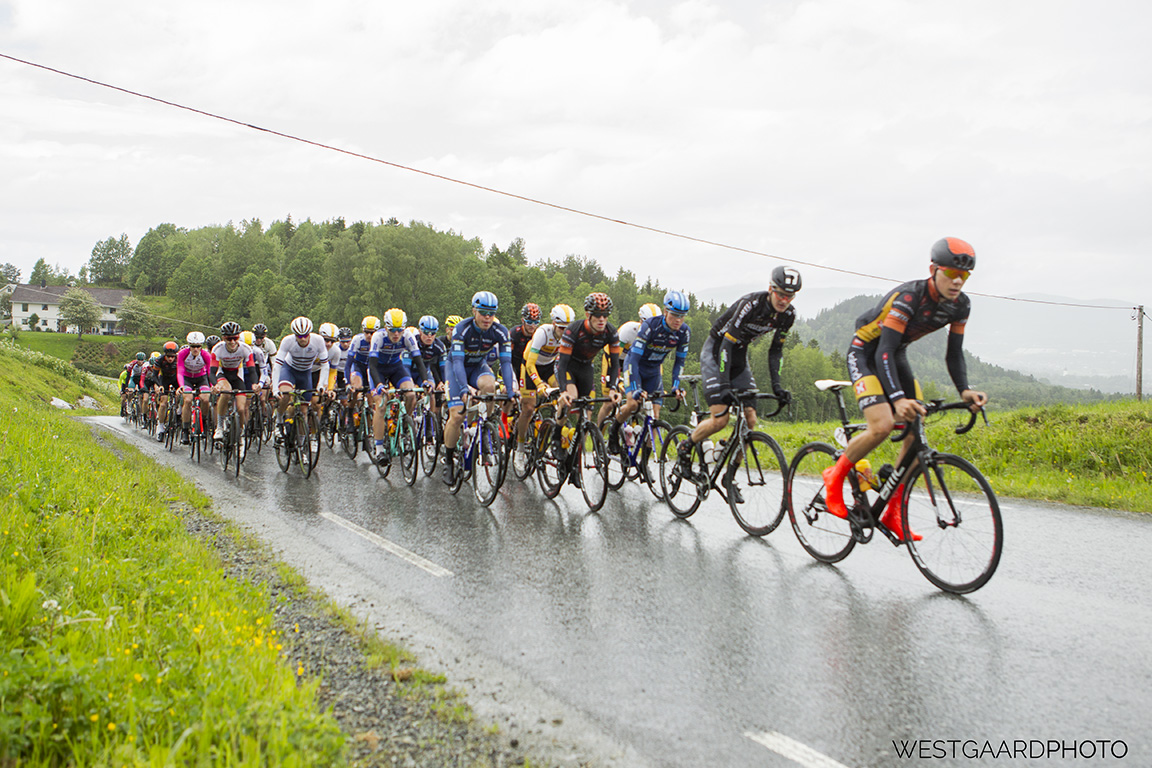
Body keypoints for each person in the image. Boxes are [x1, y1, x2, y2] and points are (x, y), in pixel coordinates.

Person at [821, 237, 987, 541]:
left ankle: (893, 512)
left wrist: (965, 390)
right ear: (933, 270)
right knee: (883, 425)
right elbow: (883, 349)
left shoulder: (961, 305)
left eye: (964, 276)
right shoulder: (909, 298)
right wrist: (897, 399)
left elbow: (953, 354)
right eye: (952, 273)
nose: (958, 281)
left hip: (895, 355)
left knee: (915, 434)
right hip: (866, 352)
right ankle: (835, 477)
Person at [676, 266, 800, 474]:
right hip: (717, 350)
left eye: (790, 296)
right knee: (720, 419)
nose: (784, 300)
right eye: (781, 294)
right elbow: (726, 343)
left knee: (750, 419)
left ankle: (730, 475)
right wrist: (725, 384)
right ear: (771, 288)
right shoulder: (751, 305)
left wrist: (777, 387)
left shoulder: (788, 315)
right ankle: (686, 446)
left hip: (739, 354)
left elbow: (775, 351)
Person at [442, 292, 518, 484]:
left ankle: (485, 427)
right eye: (483, 312)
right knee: (457, 416)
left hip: (477, 366)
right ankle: (449, 461)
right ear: (474, 311)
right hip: (456, 368)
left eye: (491, 313)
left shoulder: (500, 331)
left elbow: (506, 363)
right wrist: (464, 388)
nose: (487, 317)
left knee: (490, 386)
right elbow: (457, 362)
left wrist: (510, 391)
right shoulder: (462, 329)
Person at [608, 289, 691, 452]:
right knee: (632, 403)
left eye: (682, 316)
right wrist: (636, 388)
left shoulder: (684, 332)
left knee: (655, 415)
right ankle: (614, 429)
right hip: (635, 366)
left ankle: (645, 460)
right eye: (674, 315)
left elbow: (679, 362)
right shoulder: (650, 326)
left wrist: (675, 386)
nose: (678, 320)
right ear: (665, 311)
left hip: (653, 371)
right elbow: (634, 359)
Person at [210, 321, 257, 449]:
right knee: (226, 392)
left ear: (238, 337)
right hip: (222, 373)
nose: (232, 342)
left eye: (235, 338)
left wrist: (254, 384)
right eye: (228, 339)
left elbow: (252, 370)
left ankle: (240, 432)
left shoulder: (245, 349)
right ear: (223, 338)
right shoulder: (217, 349)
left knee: (241, 408)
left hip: (236, 375)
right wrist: (215, 385)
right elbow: (212, 372)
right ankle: (219, 426)